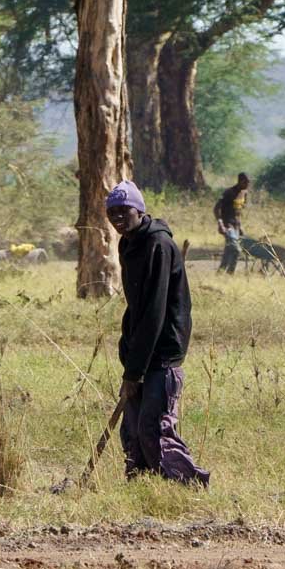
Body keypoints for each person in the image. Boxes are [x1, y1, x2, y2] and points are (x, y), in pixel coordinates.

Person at [106, 181, 208, 485]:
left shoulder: (158, 245)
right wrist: (129, 351)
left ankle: (186, 486)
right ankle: (140, 486)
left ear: (139, 210)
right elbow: (136, 305)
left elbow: (155, 311)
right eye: (112, 213)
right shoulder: (128, 243)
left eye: (124, 211)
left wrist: (133, 371)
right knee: (133, 431)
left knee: (154, 429)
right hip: (139, 350)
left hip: (162, 350)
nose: (118, 218)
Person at [213, 172, 251, 274]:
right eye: (246, 182)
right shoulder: (229, 192)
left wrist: (240, 226)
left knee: (230, 250)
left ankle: (223, 273)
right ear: (240, 181)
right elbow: (217, 208)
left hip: (236, 226)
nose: (248, 185)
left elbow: (238, 212)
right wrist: (220, 223)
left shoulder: (244, 194)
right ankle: (228, 272)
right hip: (227, 225)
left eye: (249, 183)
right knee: (236, 249)